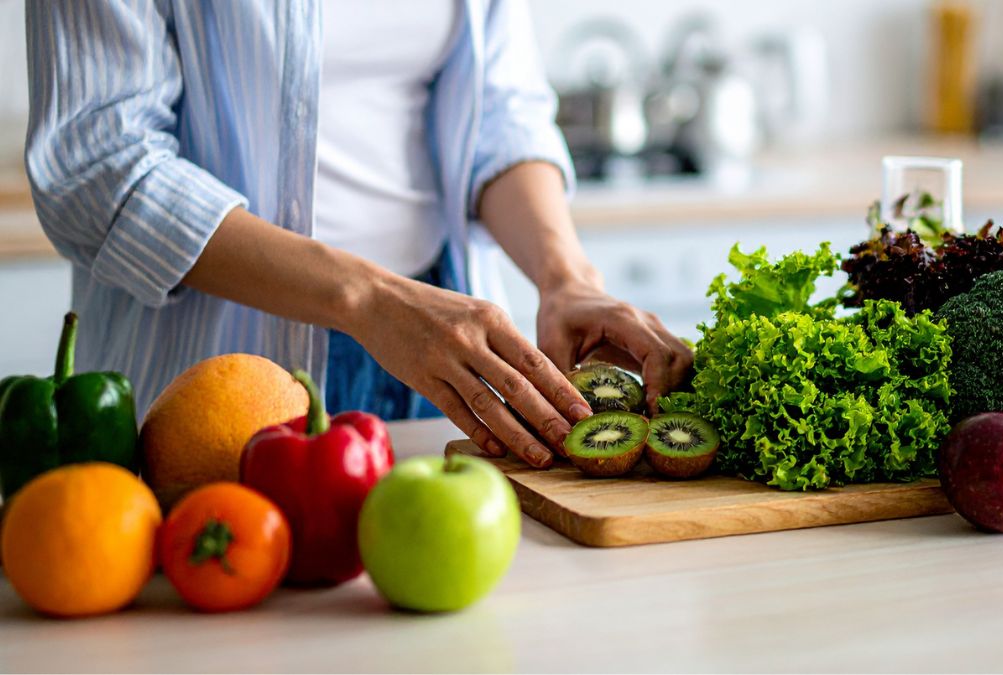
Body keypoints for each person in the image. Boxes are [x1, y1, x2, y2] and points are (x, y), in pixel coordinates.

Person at [24, 0, 693, 468]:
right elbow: (97, 165)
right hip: (222, 377)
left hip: (447, 342)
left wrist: (565, 277)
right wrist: (369, 300)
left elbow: (500, 110)